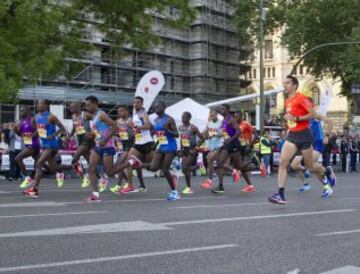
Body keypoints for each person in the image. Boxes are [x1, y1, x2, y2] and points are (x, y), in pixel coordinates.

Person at [268, 75, 336, 204]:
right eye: (284, 83)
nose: (285, 86)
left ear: (294, 85)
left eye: (287, 83)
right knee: (283, 163)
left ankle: (326, 171)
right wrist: (288, 120)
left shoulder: (301, 98)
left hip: (305, 136)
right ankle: (280, 195)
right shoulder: (287, 100)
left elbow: (313, 114)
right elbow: (291, 118)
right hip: (292, 135)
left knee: (310, 166)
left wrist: (297, 119)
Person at [23, 99, 67, 198]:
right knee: (54, 168)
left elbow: (62, 128)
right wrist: (32, 135)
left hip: (52, 145)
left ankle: (34, 190)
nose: (37, 105)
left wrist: (54, 135)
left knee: (39, 164)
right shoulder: (37, 117)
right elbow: (39, 130)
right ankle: (73, 166)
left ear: (46, 105)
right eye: (37, 103)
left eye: (40, 103)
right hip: (45, 145)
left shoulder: (51, 116)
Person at [290, 110, 335, 197]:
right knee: (304, 166)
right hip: (307, 143)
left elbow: (330, 122)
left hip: (318, 142)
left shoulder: (315, 114)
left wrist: (327, 136)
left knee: (311, 166)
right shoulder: (300, 118)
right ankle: (326, 177)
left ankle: (326, 182)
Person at [145, 101, 180, 200]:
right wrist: (155, 142)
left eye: (157, 107)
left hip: (170, 145)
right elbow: (159, 134)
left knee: (165, 169)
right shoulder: (156, 120)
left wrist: (168, 130)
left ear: (164, 108)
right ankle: (171, 173)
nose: (155, 108)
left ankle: (174, 192)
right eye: (154, 107)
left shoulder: (169, 119)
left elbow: (177, 134)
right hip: (161, 145)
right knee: (153, 167)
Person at [211, 104, 242, 194]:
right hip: (227, 144)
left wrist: (231, 139)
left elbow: (239, 131)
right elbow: (224, 133)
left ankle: (256, 164)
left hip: (234, 144)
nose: (221, 110)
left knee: (240, 166)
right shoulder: (223, 120)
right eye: (220, 109)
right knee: (219, 163)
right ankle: (221, 186)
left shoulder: (230, 119)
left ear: (227, 110)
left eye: (222, 109)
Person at [68, 101, 95, 188]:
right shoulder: (73, 116)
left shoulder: (86, 114)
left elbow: (98, 121)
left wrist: (92, 133)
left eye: (72, 107)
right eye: (70, 107)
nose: (70, 109)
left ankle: (85, 177)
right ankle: (101, 178)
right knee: (90, 163)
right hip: (80, 141)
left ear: (78, 106)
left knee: (74, 159)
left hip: (86, 141)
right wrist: (69, 136)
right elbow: (74, 128)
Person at [14, 106, 41, 188]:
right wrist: (15, 130)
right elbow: (20, 134)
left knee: (18, 158)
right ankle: (59, 171)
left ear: (28, 111)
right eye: (20, 111)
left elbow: (40, 129)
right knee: (42, 164)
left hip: (33, 145)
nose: (21, 112)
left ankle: (27, 177)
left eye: (22, 110)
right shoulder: (21, 122)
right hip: (28, 144)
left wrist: (33, 135)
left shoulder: (33, 119)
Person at [178, 111, 204, 194]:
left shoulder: (193, 128)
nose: (183, 119)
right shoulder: (180, 127)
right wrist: (181, 150)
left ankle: (189, 187)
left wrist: (195, 149)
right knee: (183, 170)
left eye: (184, 117)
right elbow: (182, 139)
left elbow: (202, 139)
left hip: (192, 149)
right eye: (182, 117)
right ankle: (199, 166)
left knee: (185, 168)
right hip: (184, 150)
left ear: (189, 118)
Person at [201, 109, 223, 189]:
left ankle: (210, 180)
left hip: (220, 145)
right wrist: (205, 135)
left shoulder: (220, 123)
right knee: (219, 164)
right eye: (210, 116)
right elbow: (204, 133)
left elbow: (223, 133)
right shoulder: (209, 123)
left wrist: (214, 134)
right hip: (212, 146)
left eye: (213, 116)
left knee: (209, 159)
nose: (211, 117)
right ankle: (234, 172)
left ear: (217, 115)